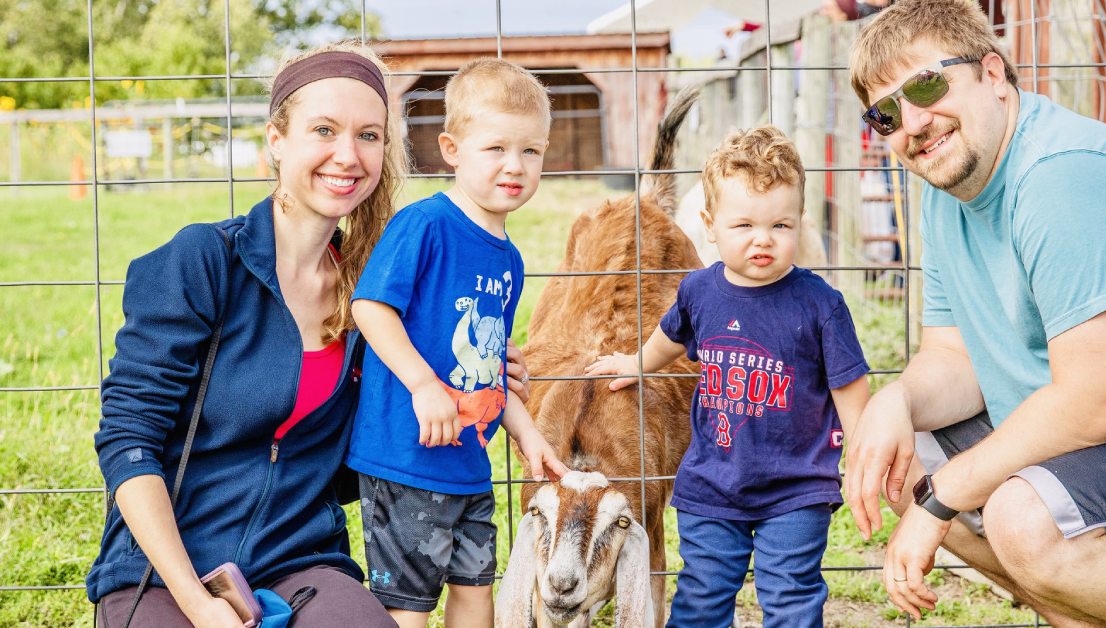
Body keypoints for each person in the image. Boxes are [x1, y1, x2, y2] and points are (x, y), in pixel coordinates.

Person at [86, 43, 533, 627]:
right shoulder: (204, 262)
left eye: (369, 136)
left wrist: (477, 376)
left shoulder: (376, 295)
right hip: (166, 570)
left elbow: (380, 433)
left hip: (302, 561)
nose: (347, 155)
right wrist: (198, 604)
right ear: (276, 140)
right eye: (324, 129)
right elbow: (128, 441)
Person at [844, 1, 1106, 625]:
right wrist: (894, 401)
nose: (914, 123)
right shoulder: (949, 193)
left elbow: (1097, 401)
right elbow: (955, 358)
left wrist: (944, 500)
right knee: (902, 460)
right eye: (887, 114)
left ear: (992, 73)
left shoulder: (1063, 177)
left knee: (1023, 516)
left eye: (927, 85)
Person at [585, 126, 871, 628]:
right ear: (710, 225)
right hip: (713, 483)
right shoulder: (699, 291)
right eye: (744, 226)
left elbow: (848, 386)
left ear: (800, 224)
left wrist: (865, 449)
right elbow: (671, 337)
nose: (763, 239)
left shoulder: (821, 304)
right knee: (703, 593)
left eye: (780, 226)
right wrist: (634, 364)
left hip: (797, 487)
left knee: (791, 595)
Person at [347, 58, 569, 628]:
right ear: (452, 148)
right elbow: (369, 308)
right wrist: (423, 385)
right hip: (407, 456)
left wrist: (530, 438)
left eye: (531, 151)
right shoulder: (426, 225)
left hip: (469, 464)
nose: (514, 166)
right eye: (495, 148)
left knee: (476, 591)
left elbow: (490, 368)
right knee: (408, 605)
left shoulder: (509, 260)